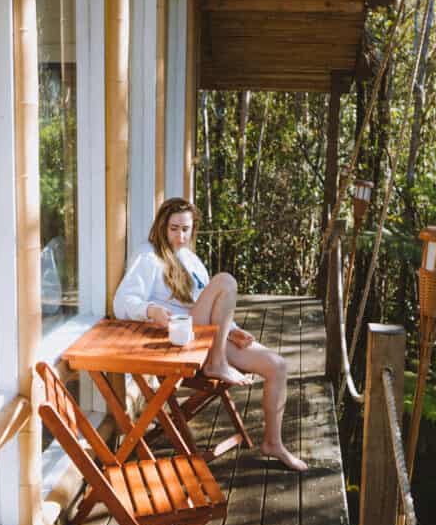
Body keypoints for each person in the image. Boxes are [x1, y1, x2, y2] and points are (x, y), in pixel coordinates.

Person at [114, 197, 307, 472]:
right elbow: (121, 302)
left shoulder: (190, 260)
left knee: (278, 366)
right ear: (160, 227)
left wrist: (234, 331)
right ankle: (216, 363)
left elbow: (214, 306)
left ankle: (272, 443)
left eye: (186, 229)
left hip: (209, 336)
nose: (180, 236)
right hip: (184, 339)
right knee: (226, 281)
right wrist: (151, 309)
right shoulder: (147, 256)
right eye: (173, 228)